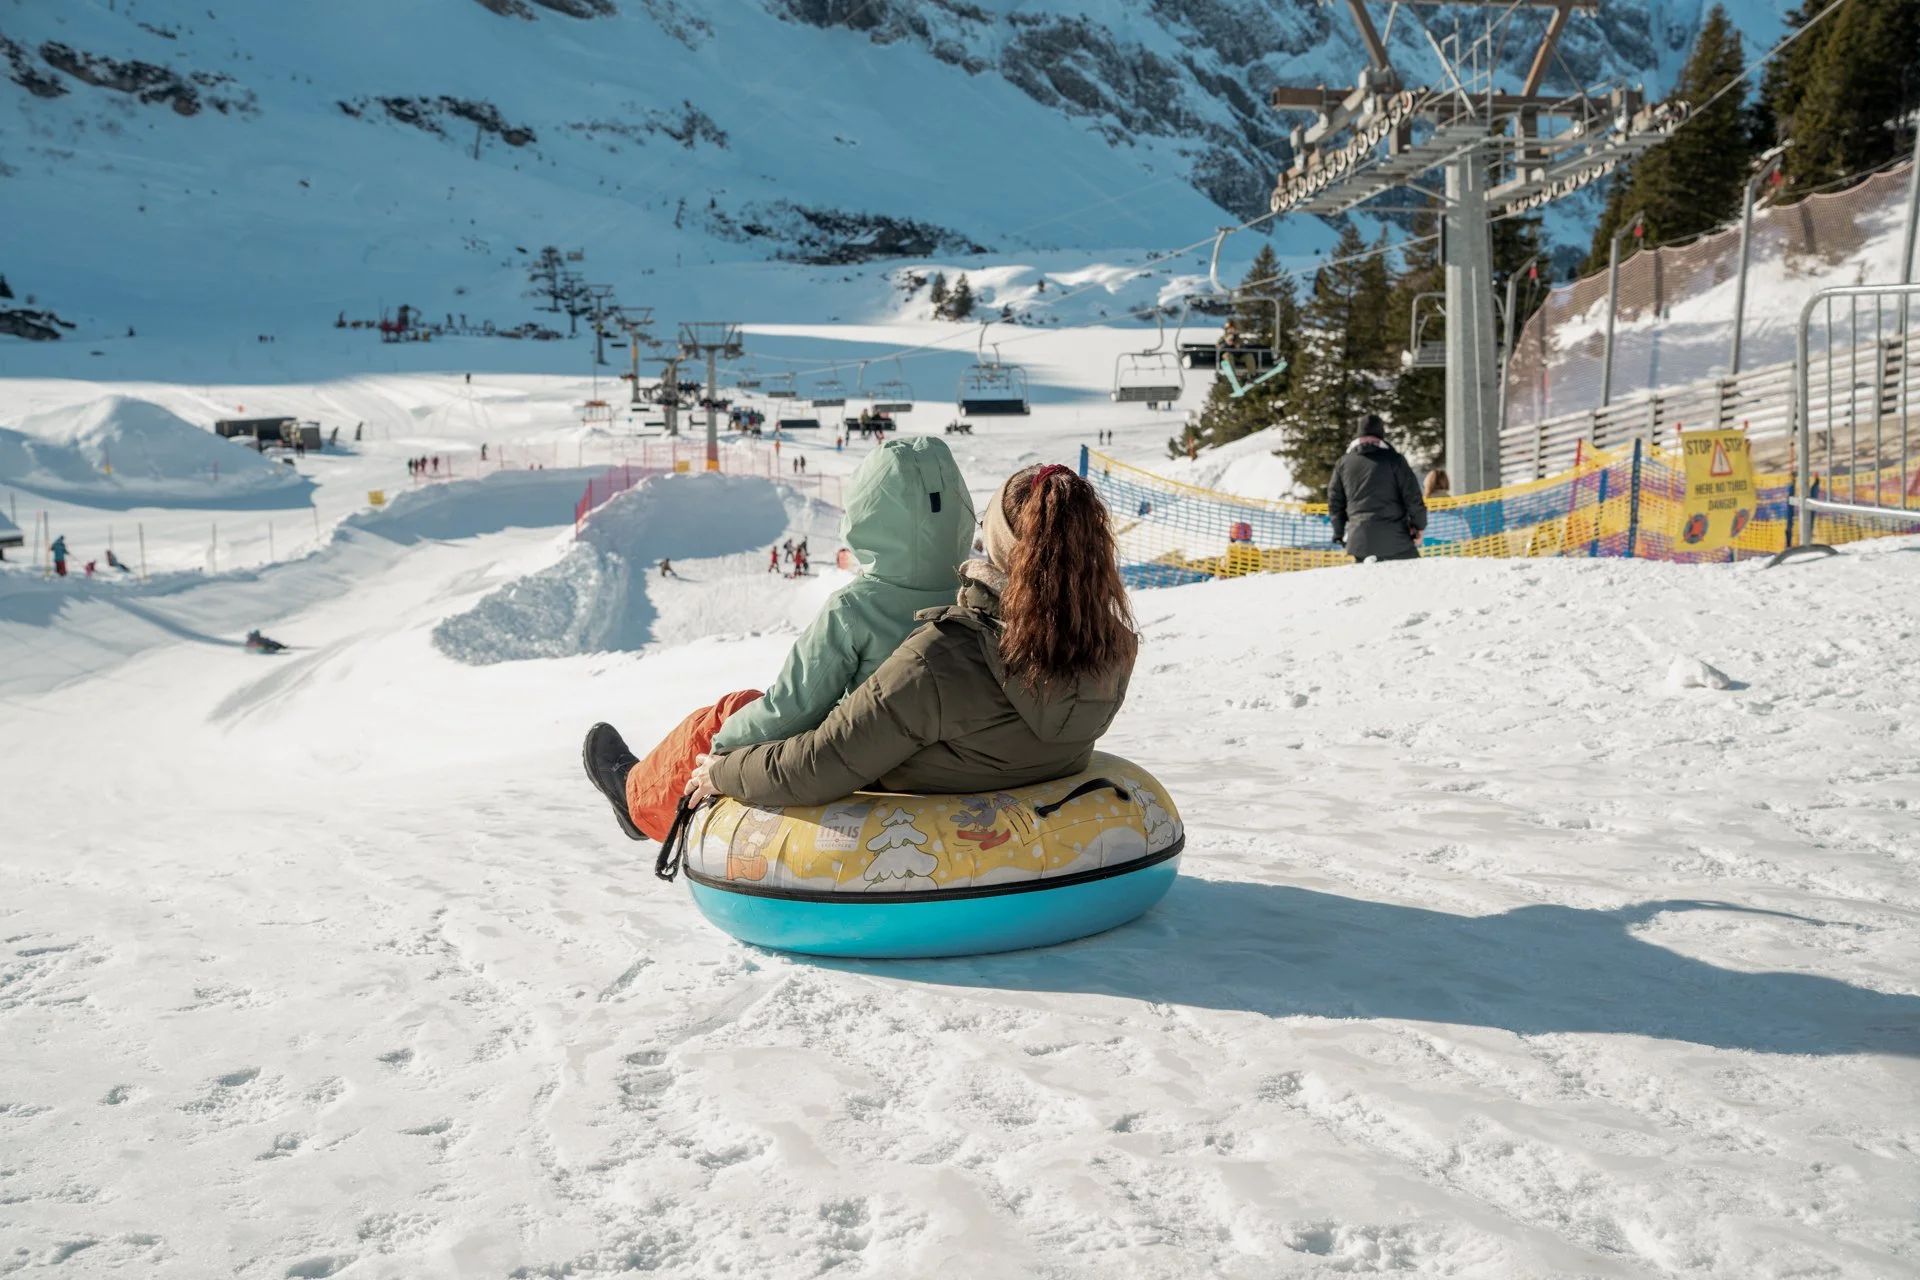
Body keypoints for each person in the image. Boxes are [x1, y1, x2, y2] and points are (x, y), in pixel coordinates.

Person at [680, 461, 1137, 811]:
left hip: (909, 841)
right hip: (1028, 802)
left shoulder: (942, 656)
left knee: (730, 718)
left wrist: (725, 772)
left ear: (997, 542)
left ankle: (642, 798)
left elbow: (819, 765)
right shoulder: (1112, 648)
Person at [582, 437, 977, 841]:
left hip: (865, 758)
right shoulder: (979, 590)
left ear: (867, 514)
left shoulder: (858, 608)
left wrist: (720, 748)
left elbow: (793, 707)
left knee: (733, 711)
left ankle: (640, 801)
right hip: (950, 755)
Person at [1328, 414, 1427, 563]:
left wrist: (1338, 532)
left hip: (1359, 541)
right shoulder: (1395, 460)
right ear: (1381, 433)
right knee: (1410, 581)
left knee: (1369, 584)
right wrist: (1419, 526)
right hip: (1396, 540)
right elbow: (1412, 496)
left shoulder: (1343, 463)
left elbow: (1335, 502)